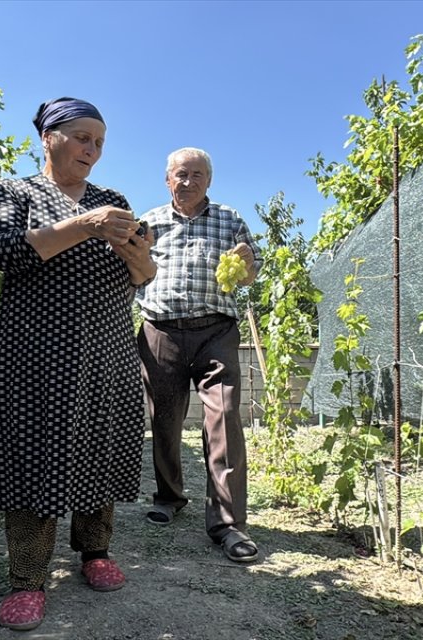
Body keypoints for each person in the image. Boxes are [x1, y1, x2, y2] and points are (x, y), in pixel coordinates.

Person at [0, 97, 156, 631]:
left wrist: (137, 254)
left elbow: (142, 276)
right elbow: (2, 251)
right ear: (48, 138)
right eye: (82, 137)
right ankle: (28, 579)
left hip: (107, 350)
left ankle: (95, 552)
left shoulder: (112, 200)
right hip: (35, 354)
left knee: (99, 447)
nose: (92, 149)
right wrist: (85, 226)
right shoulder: (15, 192)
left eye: (99, 142)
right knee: (34, 455)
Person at [135, 147, 262, 563]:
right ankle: (169, 497)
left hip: (215, 331)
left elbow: (249, 276)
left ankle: (228, 523)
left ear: (209, 181)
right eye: (180, 174)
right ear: (167, 180)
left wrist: (247, 263)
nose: (188, 181)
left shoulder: (230, 219)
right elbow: (133, 270)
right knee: (164, 418)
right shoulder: (149, 222)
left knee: (224, 418)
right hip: (160, 331)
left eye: (197, 175)